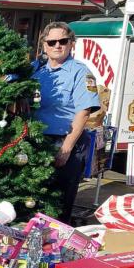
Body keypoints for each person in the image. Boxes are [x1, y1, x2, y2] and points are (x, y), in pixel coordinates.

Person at [32, 22, 100, 224]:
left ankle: (57, 248)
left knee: (58, 205)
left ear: (71, 44)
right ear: (44, 46)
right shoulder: (37, 71)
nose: (57, 46)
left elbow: (84, 111)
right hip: (36, 141)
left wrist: (66, 148)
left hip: (64, 141)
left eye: (63, 41)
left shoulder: (80, 72)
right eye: (51, 42)